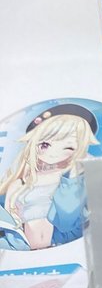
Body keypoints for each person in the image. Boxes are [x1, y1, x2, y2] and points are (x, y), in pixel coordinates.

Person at [0, 104, 96, 250]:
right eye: (45, 144)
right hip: (21, 247)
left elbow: (67, 219)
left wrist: (74, 176)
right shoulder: (21, 182)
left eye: (68, 147)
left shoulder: (74, 181)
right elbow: (9, 222)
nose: (53, 153)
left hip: (64, 246)